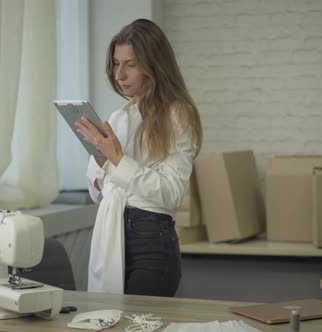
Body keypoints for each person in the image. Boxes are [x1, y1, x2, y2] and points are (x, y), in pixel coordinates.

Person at [74, 18, 202, 297]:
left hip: (151, 242)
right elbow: (99, 194)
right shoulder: (118, 118)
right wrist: (99, 159)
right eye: (116, 64)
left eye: (130, 65)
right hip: (112, 232)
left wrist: (117, 160)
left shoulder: (177, 114)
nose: (119, 75)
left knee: (137, 324)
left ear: (154, 65)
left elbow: (171, 194)